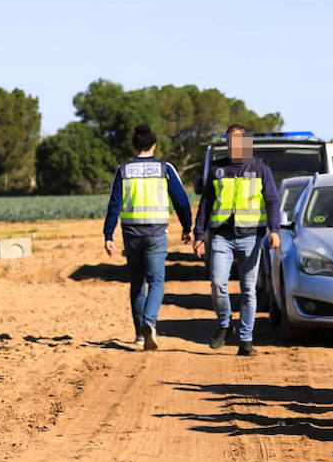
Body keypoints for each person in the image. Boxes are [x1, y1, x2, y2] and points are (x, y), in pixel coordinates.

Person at [192, 124, 281, 356]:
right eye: (232, 142)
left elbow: (272, 200)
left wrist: (274, 230)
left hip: (250, 238)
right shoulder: (217, 169)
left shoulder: (260, 167)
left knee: (248, 290)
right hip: (221, 236)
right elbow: (205, 204)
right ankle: (224, 324)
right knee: (218, 284)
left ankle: (246, 340)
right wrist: (198, 235)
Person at [103, 123, 193, 349]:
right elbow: (181, 200)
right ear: (154, 145)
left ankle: (140, 334)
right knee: (157, 281)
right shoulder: (165, 168)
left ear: (134, 146)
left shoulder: (123, 169)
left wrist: (108, 235)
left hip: (131, 235)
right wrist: (187, 226)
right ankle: (149, 322)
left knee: (137, 284)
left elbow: (113, 204)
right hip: (156, 234)